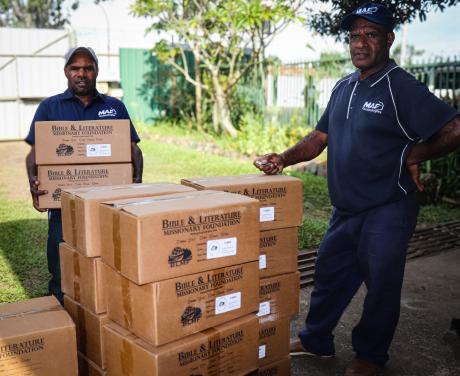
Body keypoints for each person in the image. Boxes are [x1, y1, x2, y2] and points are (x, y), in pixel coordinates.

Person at [254, 3, 460, 376]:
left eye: (371, 34)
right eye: (354, 35)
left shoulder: (401, 87)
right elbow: (320, 137)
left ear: (388, 39)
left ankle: (369, 356)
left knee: (381, 285)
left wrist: (413, 154)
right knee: (329, 273)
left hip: (388, 208)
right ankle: (316, 340)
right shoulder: (344, 86)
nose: (360, 42)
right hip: (345, 207)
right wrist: (283, 158)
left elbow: (454, 128)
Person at [25, 47, 143, 304]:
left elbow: (134, 150)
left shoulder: (114, 107)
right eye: (76, 68)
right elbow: (34, 155)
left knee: (109, 260)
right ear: (67, 72)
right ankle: (62, 318)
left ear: (96, 72)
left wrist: (136, 185)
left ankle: (103, 311)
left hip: (109, 204)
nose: (82, 73)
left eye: (87, 68)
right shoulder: (49, 107)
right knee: (60, 267)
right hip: (63, 207)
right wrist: (34, 185)